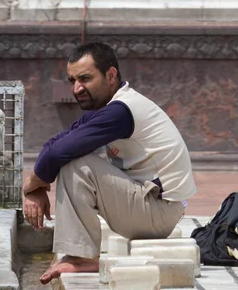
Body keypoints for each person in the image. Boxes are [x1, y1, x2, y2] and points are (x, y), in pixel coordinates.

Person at [22, 42, 196, 284]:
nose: (77, 88)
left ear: (110, 75)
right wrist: (37, 186)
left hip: (159, 211)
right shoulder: (104, 108)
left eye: (85, 78)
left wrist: (31, 185)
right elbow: (55, 143)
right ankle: (78, 254)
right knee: (71, 156)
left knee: (76, 165)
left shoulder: (121, 111)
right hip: (148, 206)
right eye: (72, 80)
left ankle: (81, 257)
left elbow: (58, 153)